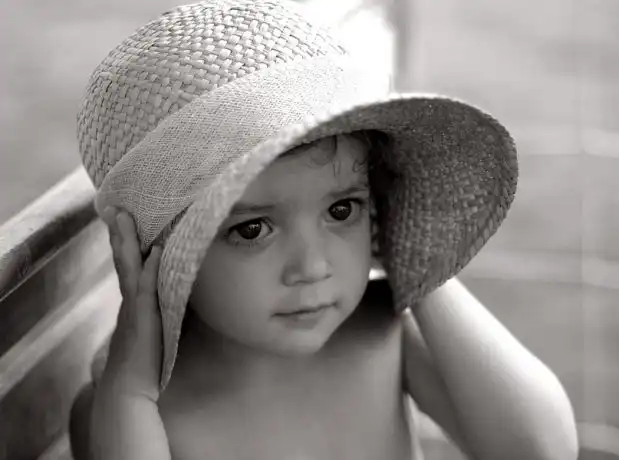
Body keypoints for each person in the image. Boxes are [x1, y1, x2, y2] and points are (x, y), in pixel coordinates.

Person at [69, 1, 579, 459]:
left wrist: (422, 268)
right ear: (159, 259)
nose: (312, 267)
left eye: (341, 210)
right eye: (252, 230)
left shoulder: (382, 334)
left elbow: (541, 449)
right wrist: (130, 389)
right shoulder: (129, 413)